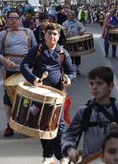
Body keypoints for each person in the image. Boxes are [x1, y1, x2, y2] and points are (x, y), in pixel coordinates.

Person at [20, 22, 76, 164]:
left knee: (60, 126)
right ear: (44, 35)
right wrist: (33, 79)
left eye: (55, 34)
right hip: (39, 95)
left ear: (58, 37)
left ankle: (61, 156)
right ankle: (48, 155)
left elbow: (71, 72)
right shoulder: (36, 49)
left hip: (57, 95)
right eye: (49, 33)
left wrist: (69, 79)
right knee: (43, 125)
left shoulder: (63, 53)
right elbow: (24, 65)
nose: (52, 36)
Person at [62, 66, 118, 163]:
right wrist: (70, 149)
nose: (94, 87)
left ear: (110, 86)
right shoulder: (84, 111)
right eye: (91, 83)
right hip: (90, 160)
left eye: (99, 83)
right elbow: (69, 135)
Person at [0, 10, 37, 137]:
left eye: (16, 18)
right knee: (8, 99)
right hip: (10, 72)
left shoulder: (29, 32)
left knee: (29, 98)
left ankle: (29, 124)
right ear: (6, 20)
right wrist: (4, 60)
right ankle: (9, 126)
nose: (14, 21)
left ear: (20, 19)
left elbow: (36, 49)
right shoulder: (2, 34)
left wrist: (32, 63)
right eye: (11, 18)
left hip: (27, 71)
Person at [62, 11, 86, 76]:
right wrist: (66, 34)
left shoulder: (77, 22)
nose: (71, 16)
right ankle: (72, 69)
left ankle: (77, 69)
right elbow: (62, 32)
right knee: (70, 56)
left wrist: (81, 31)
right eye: (70, 15)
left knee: (78, 55)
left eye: (73, 15)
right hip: (69, 42)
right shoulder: (65, 23)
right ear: (67, 16)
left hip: (77, 41)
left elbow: (83, 28)